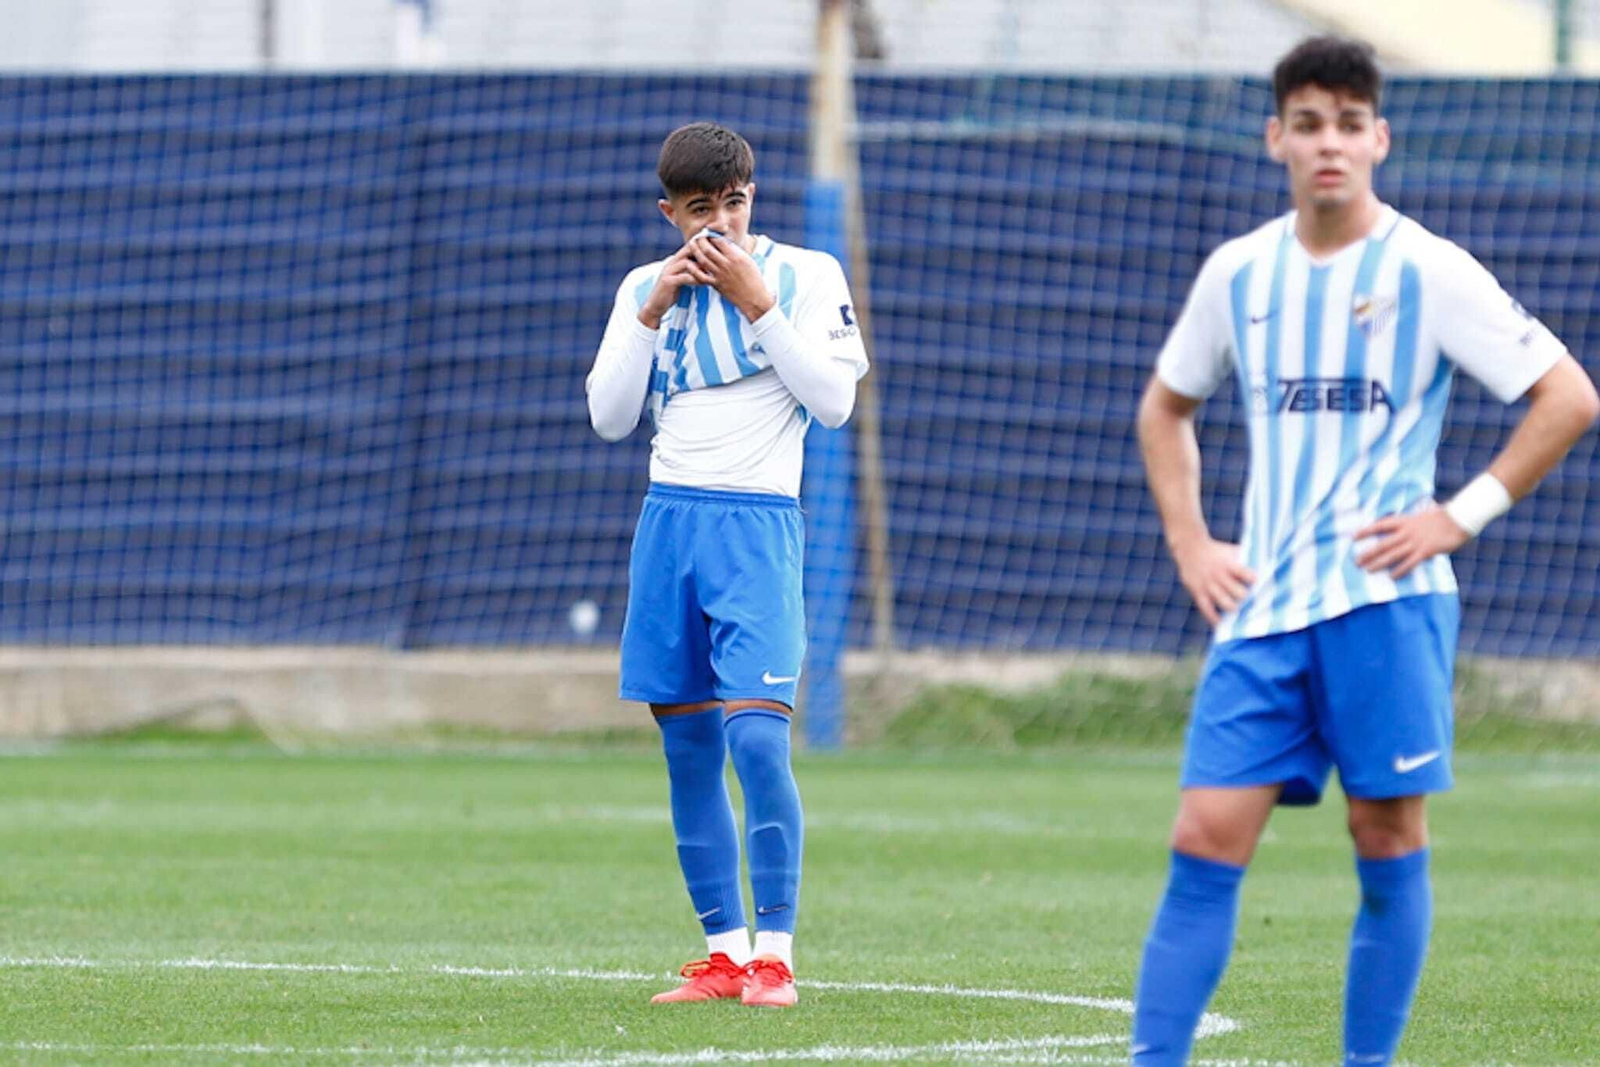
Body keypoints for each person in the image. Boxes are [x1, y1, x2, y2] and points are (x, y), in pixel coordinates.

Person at [1131, 35, 1598, 1065]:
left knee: (1384, 840)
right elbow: (1165, 407)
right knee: (1203, 834)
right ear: (1275, 139)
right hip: (1260, 610)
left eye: (1348, 123)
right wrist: (1191, 541)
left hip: (1386, 604)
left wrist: (1458, 513)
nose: (1327, 143)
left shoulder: (1428, 269)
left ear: (1378, 137)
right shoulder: (1237, 272)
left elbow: (1567, 396)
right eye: (1307, 124)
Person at [585, 121, 868, 1008]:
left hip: (757, 529)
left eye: (734, 204)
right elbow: (608, 416)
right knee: (690, 747)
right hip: (669, 526)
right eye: (700, 210)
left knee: (756, 734)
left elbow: (831, 404)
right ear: (670, 212)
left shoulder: (806, 275)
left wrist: (759, 305)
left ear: (754, 195)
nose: (720, 227)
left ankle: (775, 959)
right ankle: (723, 954)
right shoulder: (644, 286)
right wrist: (649, 311)